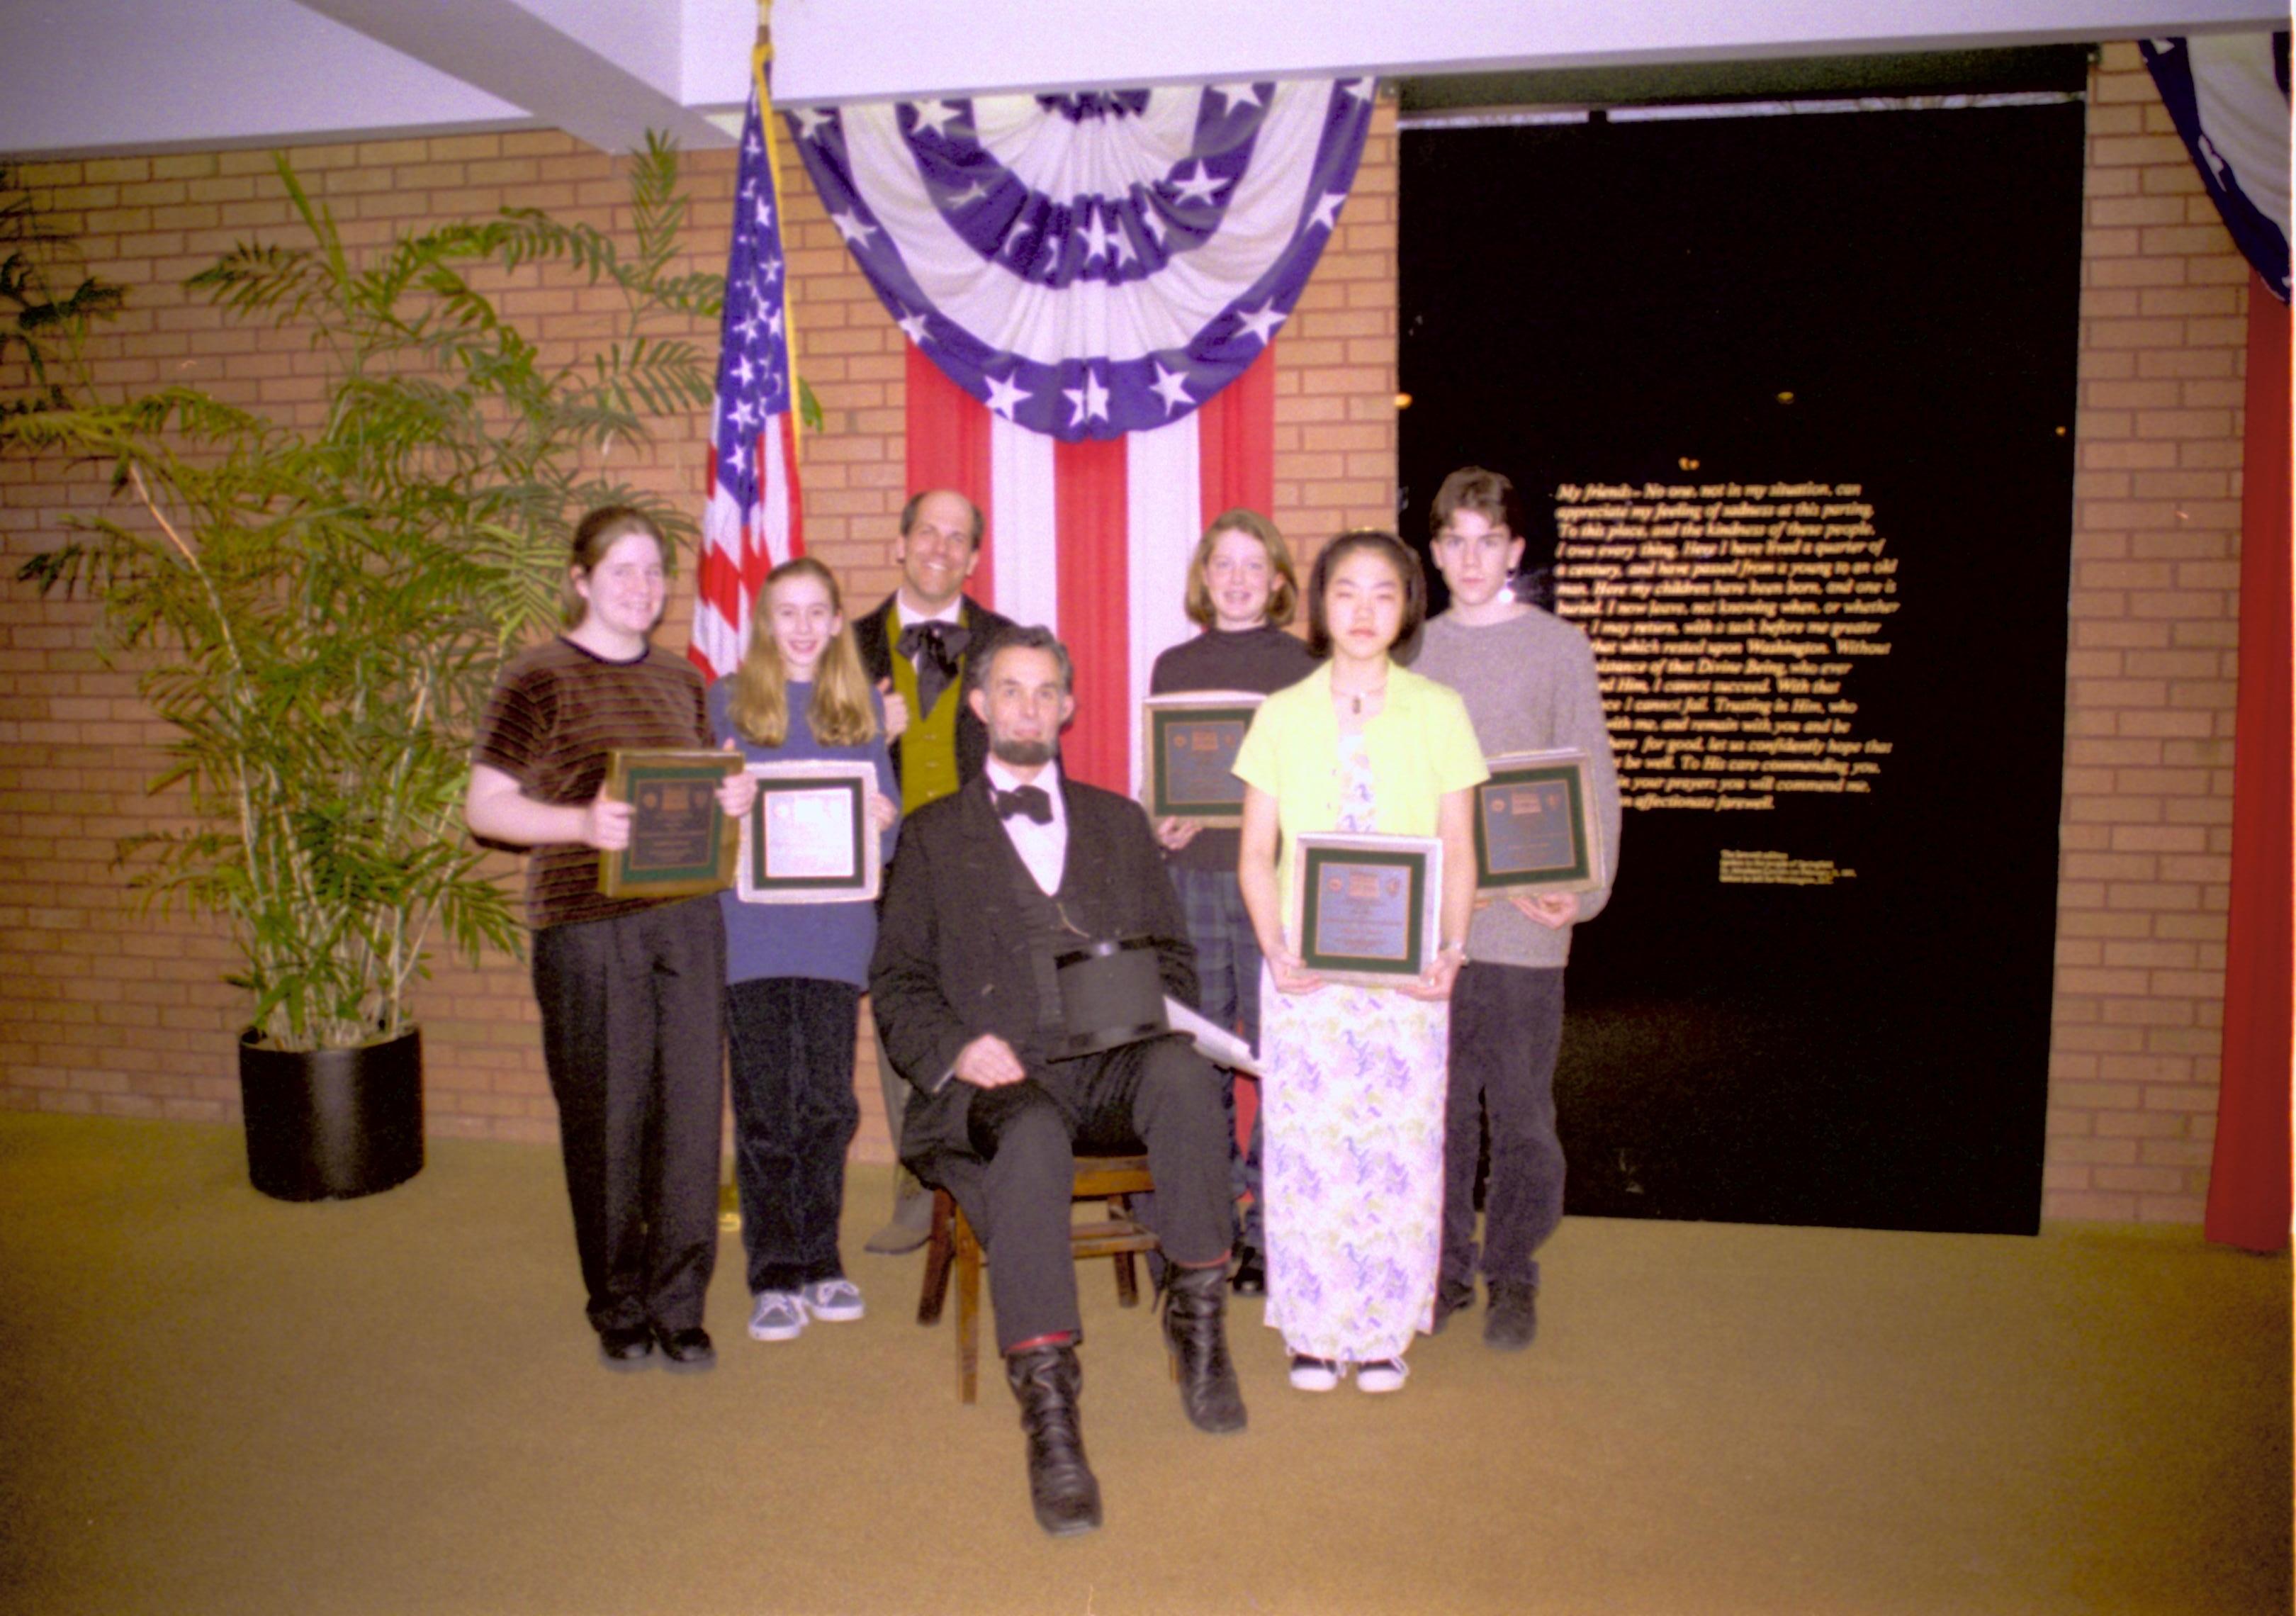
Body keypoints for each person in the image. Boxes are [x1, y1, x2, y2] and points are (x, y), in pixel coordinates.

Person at [870, 627, 1244, 1537]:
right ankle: (1050, 1415)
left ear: (1068, 707)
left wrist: (1149, 1012)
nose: (1029, 707)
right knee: (1030, 1133)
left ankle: (1198, 1322)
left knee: (1186, 1080)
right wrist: (958, 1048)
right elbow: (899, 982)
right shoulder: (930, 836)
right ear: (983, 705)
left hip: (1105, 1063)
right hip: (996, 1078)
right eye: (1012, 690)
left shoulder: (1119, 821)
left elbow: (1175, 962)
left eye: (1046, 692)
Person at [465, 505, 756, 1374]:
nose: (643, 587)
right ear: (581, 580)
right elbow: (485, 807)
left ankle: (680, 1300)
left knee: (690, 1118)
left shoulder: (679, 680)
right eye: (622, 570)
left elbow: (695, 795)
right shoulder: (536, 677)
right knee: (608, 1120)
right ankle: (618, 1300)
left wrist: (730, 802)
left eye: (654, 571)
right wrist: (580, 824)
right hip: (588, 934)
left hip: (688, 925)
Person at [1233, 530, 1485, 1395]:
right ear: (1320, 605)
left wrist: (1451, 950)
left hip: (1408, 977)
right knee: (1311, 1152)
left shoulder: (1441, 710)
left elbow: (1459, 848)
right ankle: (1310, 1328)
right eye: (1346, 591)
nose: (1365, 610)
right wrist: (1275, 947)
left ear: (1407, 606)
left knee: (1395, 1151)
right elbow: (1254, 854)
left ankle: (1379, 1331)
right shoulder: (1280, 713)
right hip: (1307, 973)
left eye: (1384, 592)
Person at [1411, 467, 1621, 1350]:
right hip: (1436, 924)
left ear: (1516, 551)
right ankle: (1449, 1266)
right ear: (1434, 550)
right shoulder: (1411, 648)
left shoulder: (1559, 647)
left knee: (1523, 1109)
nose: (1470, 557)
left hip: (1528, 919)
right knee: (1444, 1105)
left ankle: (1514, 1271)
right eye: (1454, 540)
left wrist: (1587, 890)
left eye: (1487, 541)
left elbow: (1593, 775)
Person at [711, 558, 901, 1345]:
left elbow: (879, 846)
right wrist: (724, 805)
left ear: (833, 624)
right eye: (784, 612)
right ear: (765, 622)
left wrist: (883, 819)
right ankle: (774, 1273)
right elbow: (700, 831)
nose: (799, 627)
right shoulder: (728, 702)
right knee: (765, 1108)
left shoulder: (856, 711)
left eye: (815, 612)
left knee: (827, 1105)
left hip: (832, 935)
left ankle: (821, 1260)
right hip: (752, 933)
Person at [1147, 508, 1316, 1294]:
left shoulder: (1306, 666)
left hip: (1277, 886)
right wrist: (1161, 820)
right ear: (1204, 577)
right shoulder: (1172, 666)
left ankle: (1270, 1227)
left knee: (1283, 1054)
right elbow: (1160, 781)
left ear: (1278, 580)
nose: (1240, 579)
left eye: (1255, 565)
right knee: (1200, 1057)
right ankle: (1209, 1215)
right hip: (1194, 883)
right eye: (1225, 565)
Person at [852, 488, 1018, 1255]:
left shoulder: (1008, 642)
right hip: (881, 871)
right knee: (900, 1018)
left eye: (959, 538)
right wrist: (860, 738)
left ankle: (989, 1174)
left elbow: (1035, 745)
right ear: (901, 543)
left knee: (986, 1016)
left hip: (980, 867)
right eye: (928, 533)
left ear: (975, 557)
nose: (941, 548)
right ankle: (919, 1188)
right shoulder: (843, 647)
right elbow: (800, 760)